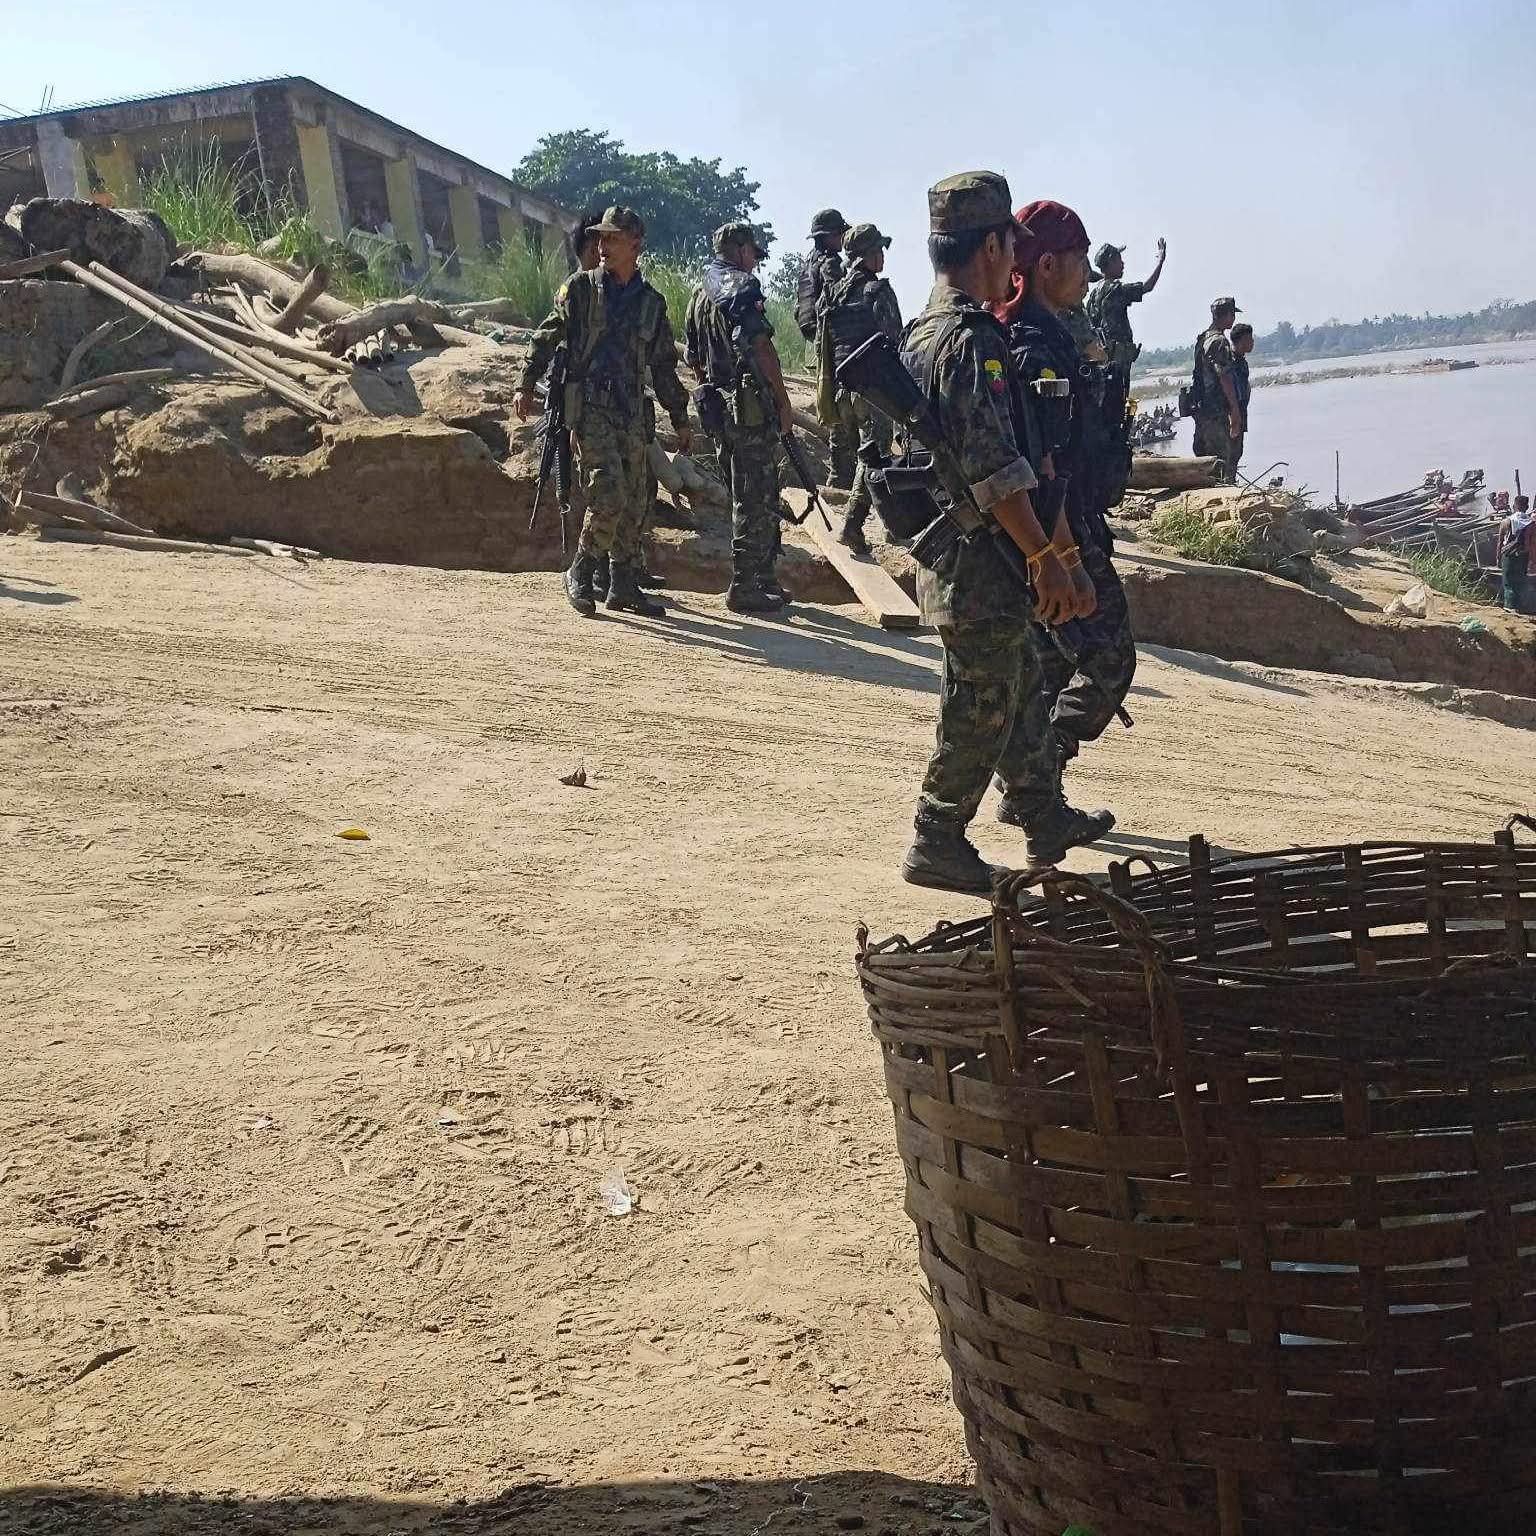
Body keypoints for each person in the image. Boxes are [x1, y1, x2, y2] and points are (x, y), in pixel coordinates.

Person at [896, 171, 1097, 894]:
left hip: (961, 546)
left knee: (1015, 680)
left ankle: (1042, 812)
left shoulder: (921, 331)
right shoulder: (969, 339)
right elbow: (995, 466)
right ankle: (937, 837)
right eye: (1010, 241)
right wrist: (1044, 554)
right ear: (990, 247)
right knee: (979, 701)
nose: (1015, 253)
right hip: (977, 554)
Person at [994, 199, 1131, 853]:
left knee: (1049, 668)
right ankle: (1036, 778)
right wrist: (1063, 556)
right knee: (1109, 655)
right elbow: (1042, 466)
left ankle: (1034, 797)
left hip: (1053, 529)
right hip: (1056, 530)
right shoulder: (1033, 345)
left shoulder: (1043, 333)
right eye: (1079, 260)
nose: (1086, 274)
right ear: (1047, 265)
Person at [513, 206, 692, 619]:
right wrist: (526, 382)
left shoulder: (651, 303)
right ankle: (581, 567)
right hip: (591, 408)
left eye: (613, 238)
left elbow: (664, 366)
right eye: (600, 237)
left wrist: (680, 418)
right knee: (608, 492)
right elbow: (546, 336)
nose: (603, 245)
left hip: (632, 412)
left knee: (635, 500)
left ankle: (622, 583)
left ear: (636, 245)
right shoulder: (580, 289)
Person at [685, 221, 797, 615]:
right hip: (748, 410)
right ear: (740, 249)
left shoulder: (699, 295)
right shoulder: (742, 288)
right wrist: (782, 399)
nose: (755, 262)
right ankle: (745, 584)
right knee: (754, 494)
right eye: (753, 253)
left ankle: (763, 576)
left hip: (720, 409)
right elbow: (762, 347)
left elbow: (694, 359)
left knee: (752, 491)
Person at [817, 221, 903, 555]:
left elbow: (824, 344)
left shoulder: (833, 294)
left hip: (841, 392)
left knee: (869, 459)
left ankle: (892, 526)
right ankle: (852, 526)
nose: (883, 256)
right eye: (879, 249)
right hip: (873, 392)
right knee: (873, 460)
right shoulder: (878, 292)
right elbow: (895, 342)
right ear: (867, 255)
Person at [797, 209, 858, 488]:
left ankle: (840, 473)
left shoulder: (808, 263)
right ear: (829, 236)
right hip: (830, 342)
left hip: (815, 342)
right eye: (840, 233)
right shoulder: (830, 263)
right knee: (840, 411)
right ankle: (840, 475)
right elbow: (838, 300)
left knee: (832, 405)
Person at [1085, 237, 1166, 380]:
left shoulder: (1094, 293)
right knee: (1119, 391)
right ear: (1110, 263)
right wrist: (1160, 261)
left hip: (1103, 357)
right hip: (1118, 360)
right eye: (1119, 260)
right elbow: (1147, 287)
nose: (1123, 264)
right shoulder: (1115, 290)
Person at [1191, 297, 1245, 479]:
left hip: (1202, 409)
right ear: (1226, 315)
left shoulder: (1203, 339)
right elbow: (1225, 378)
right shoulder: (1219, 341)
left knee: (1204, 459)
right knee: (1220, 461)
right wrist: (1235, 411)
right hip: (1216, 411)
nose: (1234, 319)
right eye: (1232, 315)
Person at [1498, 495, 1532, 613]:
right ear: (1527, 507)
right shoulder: (1531, 522)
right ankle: (1521, 608)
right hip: (1524, 556)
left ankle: (1509, 607)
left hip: (1509, 556)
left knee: (1508, 583)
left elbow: (1500, 542)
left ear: (1514, 506)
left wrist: (1498, 557)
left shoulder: (1506, 521)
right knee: (1520, 582)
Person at [1229, 320, 1255, 472]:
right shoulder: (1230, 362)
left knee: (1237, 451)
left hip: (1241, 412)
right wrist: (1234, 415)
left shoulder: (1242, 362)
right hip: (1232, 414)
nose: (1252, 342)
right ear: (1240, 341)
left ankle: (1231, 478)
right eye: (1249, 339)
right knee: (1230, 452)